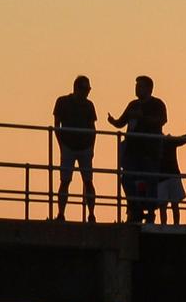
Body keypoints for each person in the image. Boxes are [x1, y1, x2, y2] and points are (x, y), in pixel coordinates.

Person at [108, 75, 168, 223]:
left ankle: (150, 212)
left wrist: (142, 117)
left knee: (151, 181)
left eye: (140, 86)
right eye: (136, 85)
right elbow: (121, 122)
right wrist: (113, 121)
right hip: (132, 150)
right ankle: (135, 207)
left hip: (150, 151)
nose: (136, 88)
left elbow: (162, 120)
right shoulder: (133, 104)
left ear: (149, 88)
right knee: (127, 179)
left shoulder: (157, 104)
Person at [52, 75, 98, 223]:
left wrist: (91, 147)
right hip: (68, 146)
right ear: (76, 88)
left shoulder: (89, 105)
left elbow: (93, 128)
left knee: (88, 181)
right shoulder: (62, 102)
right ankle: (61, 213)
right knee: (65, 181)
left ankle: (91, 214)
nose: (87, 92)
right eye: (85, 89)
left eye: (88, 89)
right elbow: (56, 125)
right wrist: (61, 145)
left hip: (84, 147)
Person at [157, 121, 186, 225]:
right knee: (173, 205)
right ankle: (175, 225)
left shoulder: (156, 143)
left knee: (165, 206)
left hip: (164, 177)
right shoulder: (168, 141)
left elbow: (182, 140)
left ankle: (165, 226)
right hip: (171, 176)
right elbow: (182, 140)